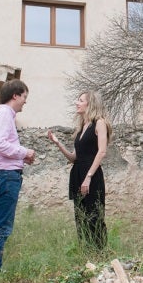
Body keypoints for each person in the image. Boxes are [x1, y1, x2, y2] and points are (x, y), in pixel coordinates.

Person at [0, 79, 35, 283]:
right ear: (15, 95)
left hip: (1, 175)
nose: (24, 102)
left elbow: (0, 146)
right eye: (24, 97)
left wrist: (21, 157)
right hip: (4, 177)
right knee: (0, 228)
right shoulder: (4, 114)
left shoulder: (1, 115)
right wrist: (25, 152)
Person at [47, 90, 111, 250]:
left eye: (80, 100)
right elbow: (74, 157)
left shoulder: (100, 123)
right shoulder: (82, 126)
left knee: (94, 216)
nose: (77, 103)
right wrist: (58, 143)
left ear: (90, 104)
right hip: (78, 174)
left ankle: (100, 255)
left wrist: (88, 177)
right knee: (81, 217)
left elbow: (102, 151)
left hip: (92, 176)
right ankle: (86, 254)